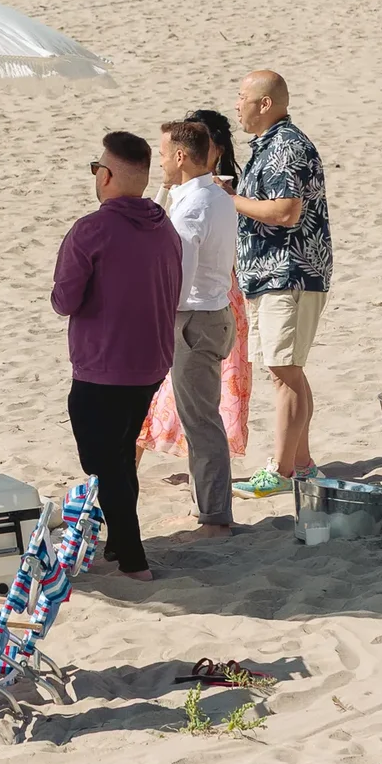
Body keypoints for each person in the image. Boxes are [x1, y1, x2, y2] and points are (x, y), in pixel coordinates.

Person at [51, 131, 182, 580]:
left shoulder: (92, 229)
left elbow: (65, 300)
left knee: (105, 462)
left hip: (105, 367)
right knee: (120, 456)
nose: (95, 176)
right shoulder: (163, 226)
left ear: (106, 176)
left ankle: (132, 557)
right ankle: (118, 548)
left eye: (96, 169)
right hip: (150, 362)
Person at [232, 70, 332, 487]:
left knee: (284, 369)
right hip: (271, 274)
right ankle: (303, 463)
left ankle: (283, 468)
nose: (237, 105)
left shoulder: (286, 147)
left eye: (242, 97)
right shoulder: (269, 145)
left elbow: (286, 211)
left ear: (265, 104)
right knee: (285, 370)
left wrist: (230, 199)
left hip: (288, 272)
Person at [159, 115, 242, 537]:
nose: (161, 164)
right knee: (200, 418)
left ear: (179, 156)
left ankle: (214, 516)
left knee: (201, 422)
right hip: (215, 312)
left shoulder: (192, 207)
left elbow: (179, 279)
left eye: (163, 155)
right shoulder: (218, 196)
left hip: (194, 318)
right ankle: (207, 508)